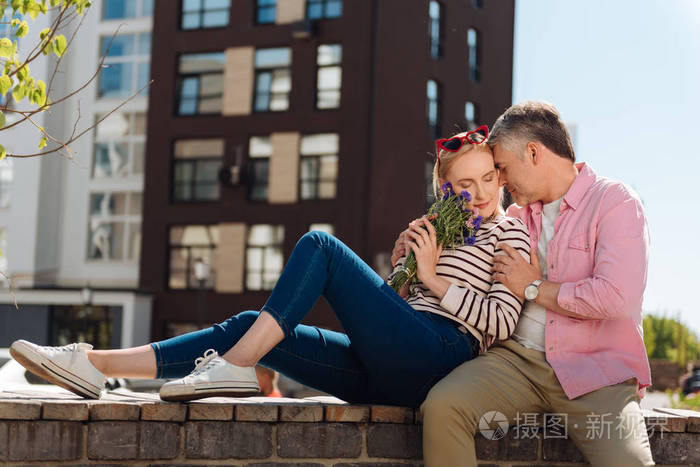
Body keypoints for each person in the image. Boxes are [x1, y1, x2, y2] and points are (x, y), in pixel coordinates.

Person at [10, 126, 530, 408]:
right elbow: (397, 314)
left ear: (501, 179)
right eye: (464, 185)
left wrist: (434, 278)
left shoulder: (510, 231)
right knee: (247, 328)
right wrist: (400, 278)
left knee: (321, 248)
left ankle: (235, 369)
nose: (479, 194)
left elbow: (502, 321)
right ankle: (95, 366)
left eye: (488, 179)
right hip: (388, 374)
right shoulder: (437, 231)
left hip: (441, 360)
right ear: (444, 190)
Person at [420, 101, 654, 467]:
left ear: (532, 153)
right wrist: (417, 244)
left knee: (630, 463)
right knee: (442, 406)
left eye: (501, 168)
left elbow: (617, 297)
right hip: (515, 363)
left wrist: (534, 287)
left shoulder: (615, 202)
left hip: (596, 373)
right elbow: (460, 247)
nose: (500, 181)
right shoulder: (511, 218)